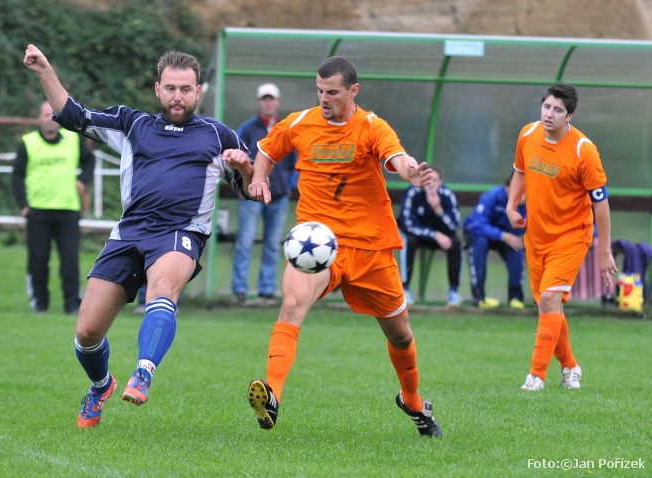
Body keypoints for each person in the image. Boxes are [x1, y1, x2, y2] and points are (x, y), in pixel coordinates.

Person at [23, 44, 254, 428]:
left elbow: (252, 190)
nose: (178, 96)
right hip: (129, 233)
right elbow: (72, 114)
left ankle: (143, 371)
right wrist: (45, 69)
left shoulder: (218, 135)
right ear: (157, 89)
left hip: (181, 232)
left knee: (162, 291)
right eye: (170, 88)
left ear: (198, 92)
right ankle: (101, 386)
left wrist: (246, 170)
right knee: (86, 332)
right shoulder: (132, 124)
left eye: (186, 89)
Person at [245, 56, 442, 438]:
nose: (324, 98)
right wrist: (259, 178)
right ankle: (272, 397)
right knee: (291, 305)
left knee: (401, 335)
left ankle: (413, 401)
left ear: (353, 90)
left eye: (332, 92)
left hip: (370, 248)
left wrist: (412, 173)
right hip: (316, 243)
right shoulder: (300, 123)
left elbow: (397, 158)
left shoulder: (371, 126)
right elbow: (267, 152)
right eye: (320, 90)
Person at [506, 83, 616, 392]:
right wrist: (511, 206)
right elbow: (520, 171)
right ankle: (570, 366)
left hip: (571, 237)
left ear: (569, 116)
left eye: (557, 110)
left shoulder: (584, 151)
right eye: (546, 107)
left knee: (549, 299)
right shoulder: (528, 134)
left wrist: (604, 252)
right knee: (548, 306)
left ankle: (536, 375)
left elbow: (601, 205)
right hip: (536, 235)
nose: (549, 114)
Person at [11, 101, 95, 315]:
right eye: (45, 115)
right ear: (39, 118)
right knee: (38, 260)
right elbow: (17, 176)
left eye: (53, 115)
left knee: (70, 261)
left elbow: (90, 161)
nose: (49, 119)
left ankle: (72, 304)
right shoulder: (29, 143)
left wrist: (83, 180)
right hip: (38, 211)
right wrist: (24, 206)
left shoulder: (72, 139)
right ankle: (40, 304)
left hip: (68, 209)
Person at [232, 83, 297, 305]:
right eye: (264, 99)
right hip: (251, 196)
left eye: (271, 99)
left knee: (272, 244)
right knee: (245, 242)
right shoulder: (247, 129)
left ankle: (266, 291)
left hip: (278, 196)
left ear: (277, 102)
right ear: (260, 102)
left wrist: (290, 184)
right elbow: (237, 157)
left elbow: (297, 159)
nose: (268, 103)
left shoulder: (286, 129)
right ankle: (240, 290)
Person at [397, 168, 463, 306]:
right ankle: (404, 290)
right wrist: (434, 234)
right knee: (408, 241)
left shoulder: (447, 195)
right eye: (428, 180)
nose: (431, 184)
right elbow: (408, 225)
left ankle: (453, 292)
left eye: (435, 180)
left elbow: (454, 227)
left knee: (456, 243)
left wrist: (439, 210)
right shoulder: (413, 192)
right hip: (416, 236)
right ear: (422, 180)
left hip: (440, 238)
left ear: (441, 182)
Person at [463, 171, 526, 309]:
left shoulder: (528, 204)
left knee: (517, 246)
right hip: (483, 235)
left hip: (508, 238)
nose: (522, 194)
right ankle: (479, 298)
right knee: (480, 242)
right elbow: (476, 224)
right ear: (508, 187)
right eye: (519, 189)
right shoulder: (492, 196)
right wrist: (502, 235)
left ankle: (515, 298)